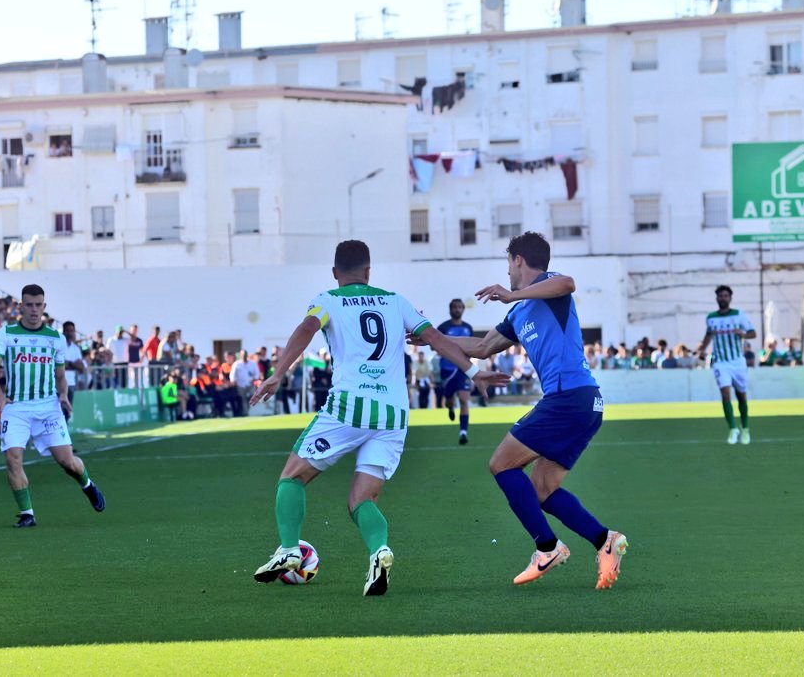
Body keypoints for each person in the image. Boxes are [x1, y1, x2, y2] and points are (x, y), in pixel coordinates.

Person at [249, 240, 509, 596]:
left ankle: (290, 550)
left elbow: (307, 329)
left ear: (335, 273)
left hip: (350, 406)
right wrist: (472, 370)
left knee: (291, 478)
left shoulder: (327, 299)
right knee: (362, 500)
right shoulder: (395, 301)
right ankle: (379, 551)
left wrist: (278, 372)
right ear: (369, 272)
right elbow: (433, 338)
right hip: (393, 416)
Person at [432, 232, 626, 589]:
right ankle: (605, 541)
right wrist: (430, 336)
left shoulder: (550, 287)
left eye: (508, 263)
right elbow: (481, 346)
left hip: (570, 397)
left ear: (518, 260)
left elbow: (567, 282)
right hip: (581, 402)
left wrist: (513, 293)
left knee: (501, 464)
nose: (507, 272)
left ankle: (547, 548)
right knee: (542, 491)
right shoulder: (519, 310)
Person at [0, 285, 105, 528]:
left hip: (48, 407)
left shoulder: (55, 338)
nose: (33, 309)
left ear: (44, 307)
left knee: (67, 462)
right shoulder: (6, 334)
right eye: (29, 304)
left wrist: (63, 395)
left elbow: (60, 375)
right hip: (16, 407)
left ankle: (87, 485)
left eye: (38, 305)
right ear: (20, 306)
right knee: (12, 458)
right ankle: (27, 513)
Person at [697, 285, 757, 445]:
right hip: (720, 362)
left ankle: (745, 428)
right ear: (716, 298)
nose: (723, 298)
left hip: (737, 362)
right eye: (720, 296)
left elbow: (753, 333)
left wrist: (743, 334)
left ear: (730, 298)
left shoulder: (739, 315)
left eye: (725, 296)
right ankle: (732, 428)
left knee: (741, 396)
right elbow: (709, 334)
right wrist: (702, 349)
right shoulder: (711, 317)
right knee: (724, 393)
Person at [437, 298, 475, 445]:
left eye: (460, 307)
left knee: (464, 399)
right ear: (450, 309)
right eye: (455, 307)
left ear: (463, 309)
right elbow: (435, 345)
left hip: (463, 368)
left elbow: (472, 346)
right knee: (448, 399)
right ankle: (450, 407)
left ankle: (463, 431)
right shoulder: (443, 327)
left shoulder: (468, 328)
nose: (457, 309)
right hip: (447, 368)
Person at [61, 321, 85, 411]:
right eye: (68, 330)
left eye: (72, 331)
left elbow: (81, 367)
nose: (70, 333)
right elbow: (60, 364)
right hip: (59, 383)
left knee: (68, 411)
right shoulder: (59, 346)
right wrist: (73, 364)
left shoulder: (76, 348)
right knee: (59, 411)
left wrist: (69, 364)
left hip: (71, 383)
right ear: (63, 332)